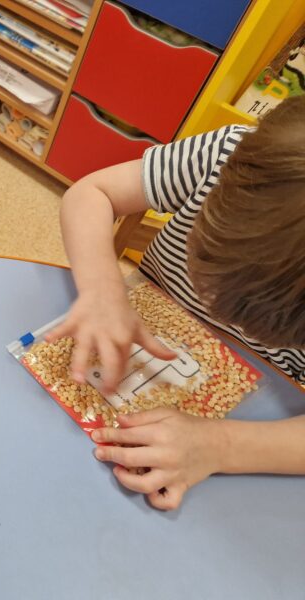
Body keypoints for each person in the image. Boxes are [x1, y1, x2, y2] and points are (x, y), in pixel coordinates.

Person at [48, 96, 305, 510]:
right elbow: (92, 192)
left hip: (253, 416)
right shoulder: (227, 153)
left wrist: (221, 445)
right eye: (207, 266)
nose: (216, 309)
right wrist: (102, 288)